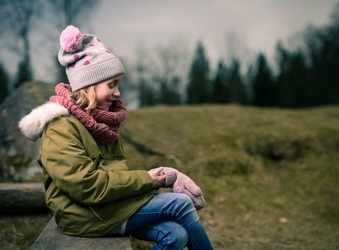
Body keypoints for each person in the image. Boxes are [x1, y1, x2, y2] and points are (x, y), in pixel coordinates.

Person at [19, 25, 213, 250]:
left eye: (118, 85)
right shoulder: (60, 128)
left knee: (175, 234)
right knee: (181, 204)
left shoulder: (101, 123)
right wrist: (149, 180)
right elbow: (86, 186)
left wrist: (161, 176)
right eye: (111, 85)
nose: (118, 93)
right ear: (88, 86)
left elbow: (114, 174)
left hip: (105, 207)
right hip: (83, 215)